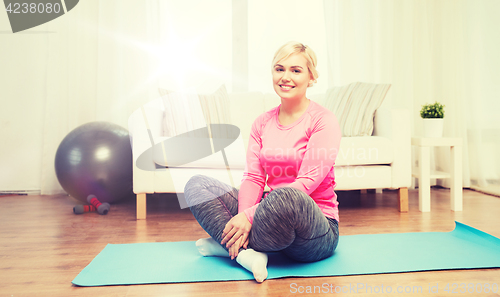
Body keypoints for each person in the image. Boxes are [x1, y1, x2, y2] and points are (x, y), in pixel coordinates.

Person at [184, 41, 341, 283]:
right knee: (197, 186)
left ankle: (228, 245)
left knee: (284, 195)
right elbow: (254, 178)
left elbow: (307, 183)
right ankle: (246, 253)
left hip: (315, 230)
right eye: (279, 69)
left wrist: (247, 219)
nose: (285, 77)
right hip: (270, 217)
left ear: (311, 77)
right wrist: (245, 215)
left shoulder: (323, 121)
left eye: (296, 70)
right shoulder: (261, 122)